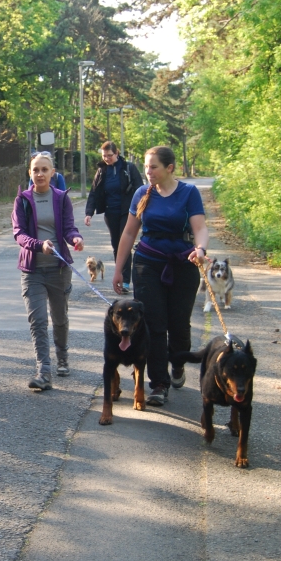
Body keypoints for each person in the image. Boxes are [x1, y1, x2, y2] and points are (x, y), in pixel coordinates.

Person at [112, 145, 208, 407]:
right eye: (146, 166)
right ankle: (158, 384)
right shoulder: (142, 193)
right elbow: (129, 233)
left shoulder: (188, 193)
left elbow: (199, 228)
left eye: (153, 166)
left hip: (183, 263)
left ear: (169, 168)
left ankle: (177, 364)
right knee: (153, 325)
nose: (148, 171)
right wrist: (119, 268)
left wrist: (200, 250)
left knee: (179, 325)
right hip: (147, 265)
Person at [13, 151, 84, 392]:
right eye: (35, 170)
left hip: (58, 269)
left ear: (53, 173)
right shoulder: (22, 200)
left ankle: (62, 357)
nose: (40, 174)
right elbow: (19, 234)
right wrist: (38, 245)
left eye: (45, 169)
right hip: (32, 270)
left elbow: (68, 227)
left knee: (60, 317)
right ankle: (44, 370)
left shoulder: (61, 197)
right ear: (30, 173)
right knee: (38, 320)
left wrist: (75, 238)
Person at [84, 141, 144, 293]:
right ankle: (120, 276)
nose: (107, 159)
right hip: (110, 213)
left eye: (110, 155)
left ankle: (125, 281)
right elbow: (94, 192)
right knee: (116, 245)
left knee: (125, 244)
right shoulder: (102, 171)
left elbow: (140, 189)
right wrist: (88, 213)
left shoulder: (128, 168)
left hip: (127, 211)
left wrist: (142, 210)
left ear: (117, 153)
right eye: (104, 156)